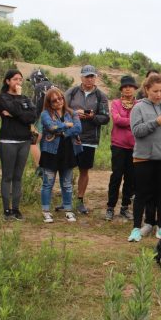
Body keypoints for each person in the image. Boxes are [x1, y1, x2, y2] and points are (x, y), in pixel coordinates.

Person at [127, 74, 161, 242]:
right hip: (144, 158)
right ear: (146, 90)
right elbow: (136, 131)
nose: (159, 94)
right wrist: (156, 122)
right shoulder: (138, 108)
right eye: (155, 91)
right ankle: (136, 228)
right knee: (142, 194)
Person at [65, 65, 110, 215]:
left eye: (92, 76)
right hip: (71, 136)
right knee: (67, 169)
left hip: (89, 138)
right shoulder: (71, 92)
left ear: (95, 77)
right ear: (81, 77)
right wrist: (74, 113)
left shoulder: (101, 96)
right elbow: (61, 109)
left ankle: (80, 200)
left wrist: (92, 117)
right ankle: (66, 200)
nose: (89, 79)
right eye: (87, 76)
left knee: (84, 170)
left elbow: (105, 118)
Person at [0, 69, 38, 221]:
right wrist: (19, 107)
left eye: (20, 80)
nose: (18, 82)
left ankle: (16, 209)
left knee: (18, 177)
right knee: (7, 176)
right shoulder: (2, 97)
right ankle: (6, 210)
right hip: (8, 141)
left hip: (24, 141)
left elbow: (31, 117)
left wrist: (16, 113)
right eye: (15, 79)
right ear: (7, 81)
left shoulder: (26, 98)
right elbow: (15, 109)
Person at [39, 88, 81, 223]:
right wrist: (67, 125)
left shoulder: (71, 112)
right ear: (49, 103)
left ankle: (68, 210)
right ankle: (46, 211)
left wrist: (64, 132)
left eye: (60, 98)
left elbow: (78, 128)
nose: (58, 102)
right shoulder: (45, 114)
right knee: (48, 183)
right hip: (50, 152)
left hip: (67, 152)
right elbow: (51, 127)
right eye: (54, 100)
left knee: (67, 183)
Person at [106, 75, 137, 222]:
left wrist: (131, 122)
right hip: (118, 145)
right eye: (125, 87)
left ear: (135, 88)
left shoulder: (138, 104)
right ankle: (110, 207)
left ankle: (125, 207)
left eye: (130, 86)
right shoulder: (116, 103)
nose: (128, 89)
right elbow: (117, 120)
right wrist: (133, 121)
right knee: (116, 176)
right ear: (121, 89)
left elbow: (140, 122)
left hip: (134, 146)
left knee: (130, 178)